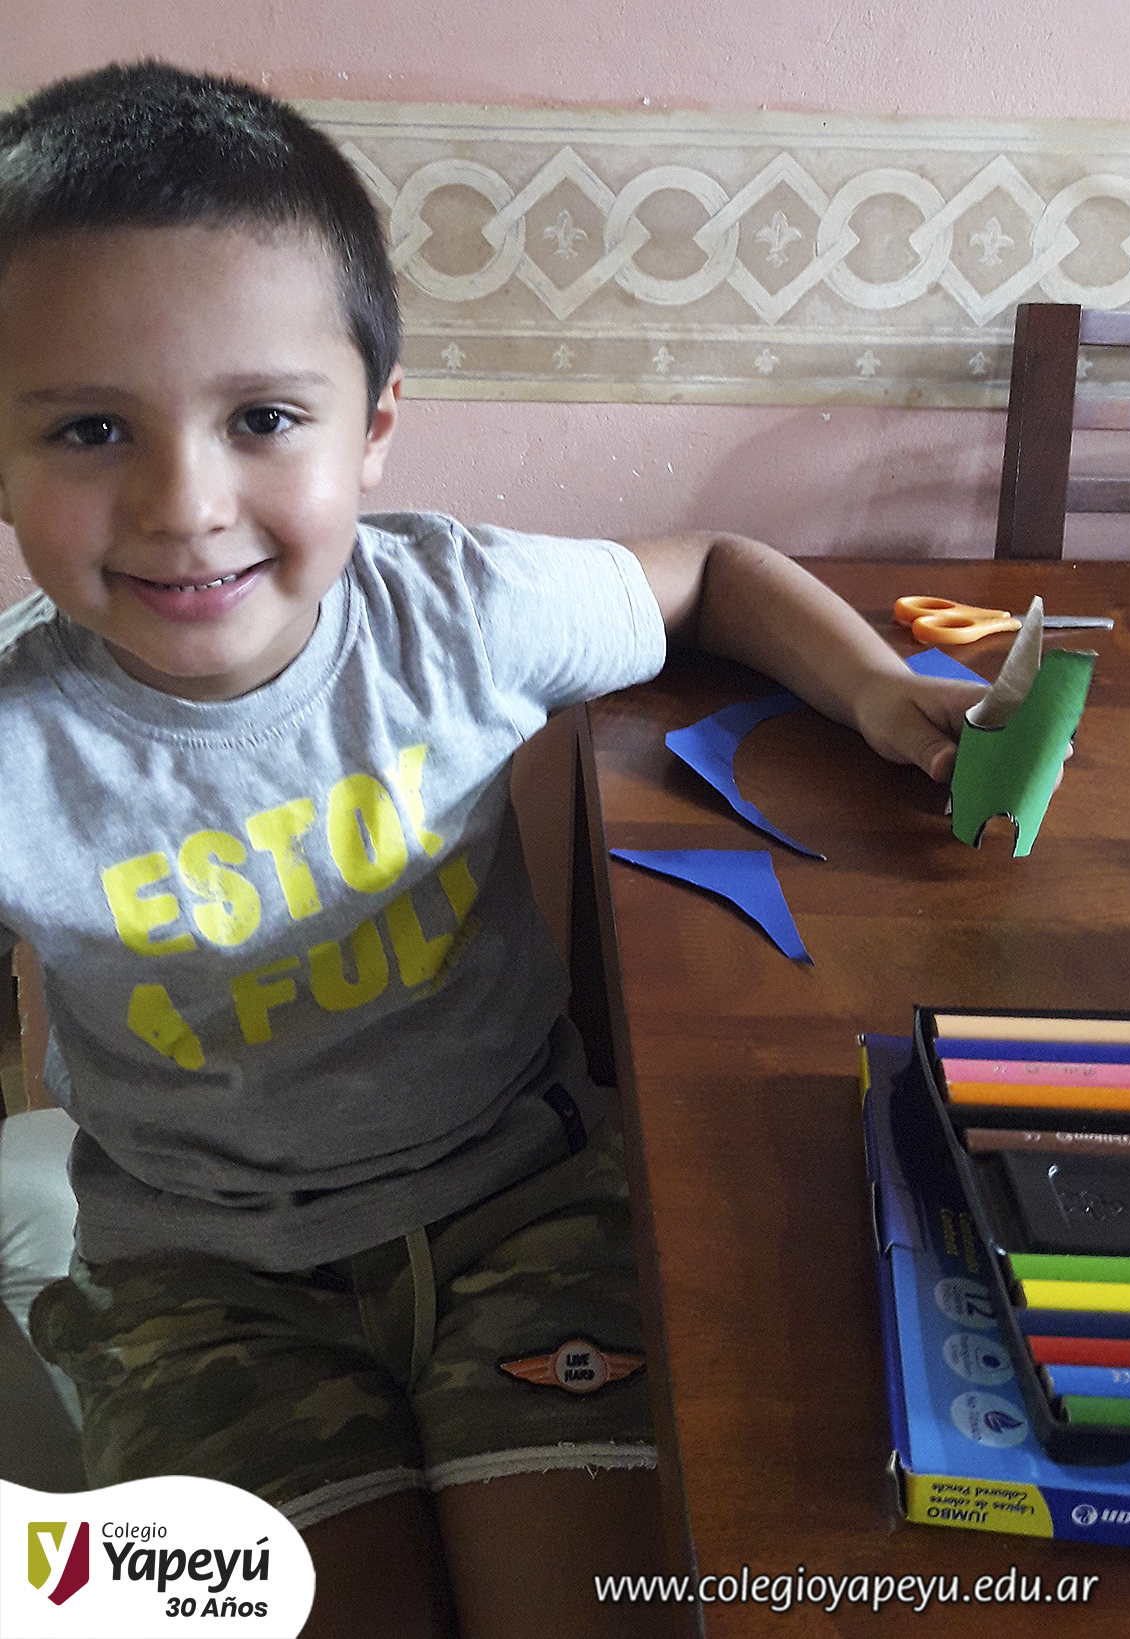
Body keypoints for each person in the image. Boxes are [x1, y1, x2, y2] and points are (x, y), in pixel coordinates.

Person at [0, 63, 984, 1638]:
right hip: (194, 1282)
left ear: (373, 428)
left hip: (525, 1199)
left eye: (263, 419)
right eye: (91, 428)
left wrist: (872, 685)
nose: (185, 504)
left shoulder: (456, 612)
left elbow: (712, 571)